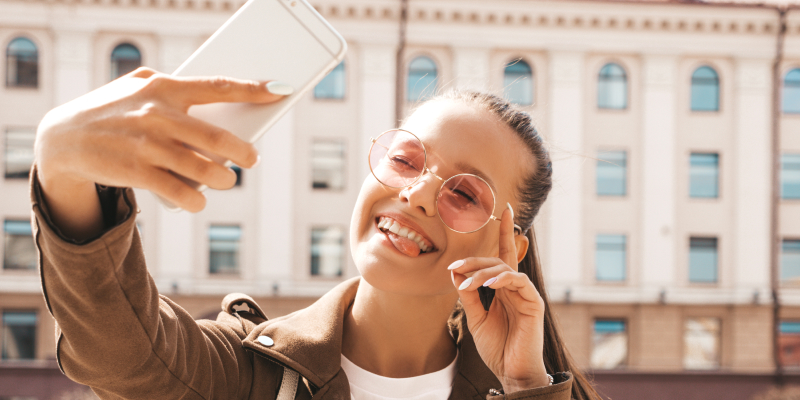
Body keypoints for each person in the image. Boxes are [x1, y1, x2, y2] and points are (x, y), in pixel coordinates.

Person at [31, 67, 602, 400]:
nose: (420, 194)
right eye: (407, 160)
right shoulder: (249, 372)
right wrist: (63, 172)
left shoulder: (523, 388)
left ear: (508, 246)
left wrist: (526, 383)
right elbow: (122, 352)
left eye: (464, 193)